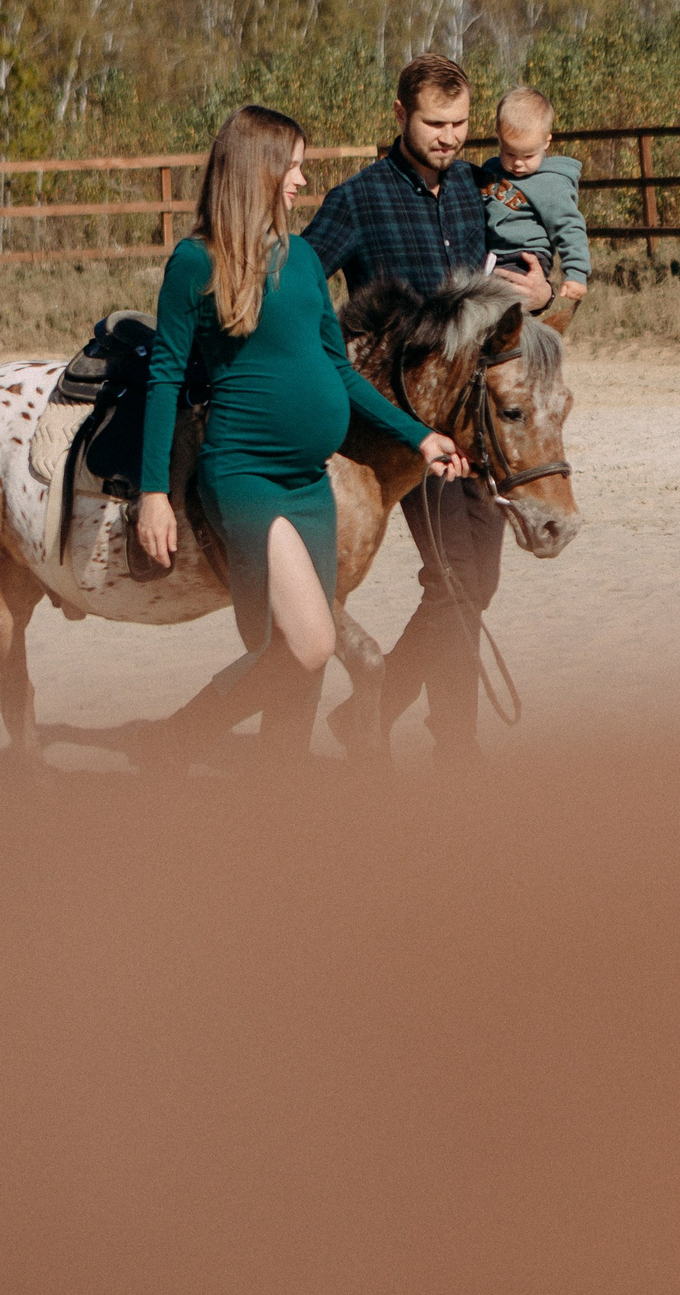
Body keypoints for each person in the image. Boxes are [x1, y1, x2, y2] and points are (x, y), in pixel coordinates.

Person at [134, 104, 469, 766]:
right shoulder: (194, 262)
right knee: (313, 641)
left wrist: (421, 435)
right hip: (246, 477)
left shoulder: (306, 257)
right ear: (258, 170)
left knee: (300, 657)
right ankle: (182, 733)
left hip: (309, 480)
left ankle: (273, 791)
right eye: (292, 165)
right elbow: (166, 375)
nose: (301, 179)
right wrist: (152, 492)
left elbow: (337, 369)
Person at [303, 54, 552, 758]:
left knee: (479, 580)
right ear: (400, 117)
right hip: (405, 429)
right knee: (454, 578)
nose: (450, 137)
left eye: (460, 123)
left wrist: (547, 293)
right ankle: (455, 741)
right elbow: (300, 281)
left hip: (483, 418)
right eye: (435, 123)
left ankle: (374, 716)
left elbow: (533, 265)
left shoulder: (480, 189)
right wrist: (334, 354)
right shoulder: (358, 200)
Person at [473, 86, 589, 316]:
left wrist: (576, 273)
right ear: (499, 137)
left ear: (546, 142)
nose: (517, 163)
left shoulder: (551, 184)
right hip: (491, 256)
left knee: (502, 309)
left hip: (525, 256)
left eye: (528, 156)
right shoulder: (490, 171)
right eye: (509, 153)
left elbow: (569, 227)